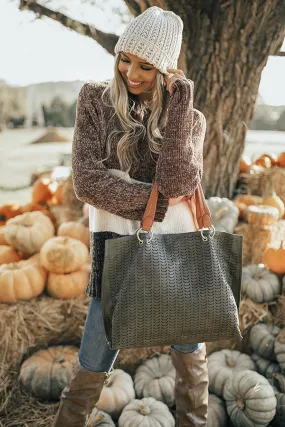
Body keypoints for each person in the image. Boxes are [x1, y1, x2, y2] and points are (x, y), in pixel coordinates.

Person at [52, 6, 208, 427]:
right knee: (94, 355)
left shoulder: (188, 119)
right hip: (118, 249)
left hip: (177, 252)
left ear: (167, 70)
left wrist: (180, 103)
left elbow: (177, 181)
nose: (131, 73)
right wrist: (157, 204)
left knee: (190, 353)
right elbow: (87, 181)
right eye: (125, 59)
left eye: (146, 65)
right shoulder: (95, 101)